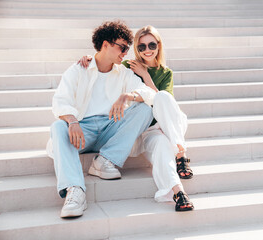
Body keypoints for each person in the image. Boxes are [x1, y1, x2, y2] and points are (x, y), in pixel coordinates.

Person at [78, 25, 194, 211]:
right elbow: (105, 61)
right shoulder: (128, 66)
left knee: (163, 96)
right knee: (163, 148)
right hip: (149, 130)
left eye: (151, 45)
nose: (147, 50)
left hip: (170, 124)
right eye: (141, 47)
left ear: (158, 45)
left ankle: (181, 154)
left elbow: (159, 101)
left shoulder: (166, 73)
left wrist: (145, 75)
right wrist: (90, 58)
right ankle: (178, 192)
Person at [48, 20, 156, 218]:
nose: (125, 53)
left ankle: (105, 160)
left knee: (145, 110)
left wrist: (128, 96)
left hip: (110, 129)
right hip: (82, 131)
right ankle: (75, 190)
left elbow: (150, 94)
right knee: (58, 127)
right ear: (105, 44)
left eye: (127, 49)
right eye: (122, 48)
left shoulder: (123, 73)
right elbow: (60, 101)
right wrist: (72, 121)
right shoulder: (78, 69)